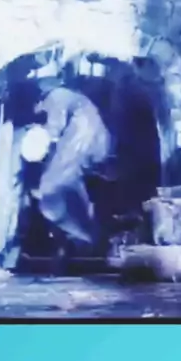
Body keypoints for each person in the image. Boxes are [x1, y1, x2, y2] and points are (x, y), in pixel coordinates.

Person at [34, 86, 111, 251]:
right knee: (71, 179)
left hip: (81, 128)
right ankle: (86, 231)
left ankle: (86, 235)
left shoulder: (54, 96)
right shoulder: (71, 96)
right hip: (96, 135)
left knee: (54, 182)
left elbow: (55, 127)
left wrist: (43, 137)